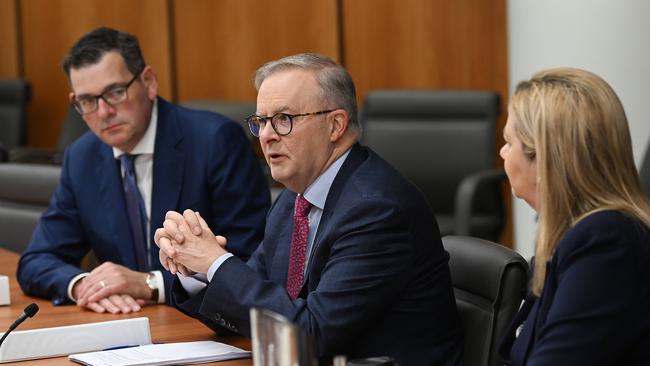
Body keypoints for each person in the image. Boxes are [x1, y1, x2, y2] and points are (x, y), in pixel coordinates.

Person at [153, 53, 464, 365]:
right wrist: (198, 271)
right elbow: (257, 308)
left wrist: (217, 262)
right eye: (260, 122)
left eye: (284, 119)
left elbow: (312, 334)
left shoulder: (376, 210)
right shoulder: (294, 199)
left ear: (335, 125)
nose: (267, 135)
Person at [16, 27, 270, 314]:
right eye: (87, 101)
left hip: (208, 324)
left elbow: (253, 257)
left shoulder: (215, 142)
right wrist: (86, 285)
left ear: (149, 82)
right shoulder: (82, 157)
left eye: (115, 92)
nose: (103, 112)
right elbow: (37, 259)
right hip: (126, 324)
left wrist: (151, 283)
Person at [498, 67, 650, 365]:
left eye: (509, 142)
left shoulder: (606, 244)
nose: (503, 154)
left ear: (543, 159)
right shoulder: (571, 234)